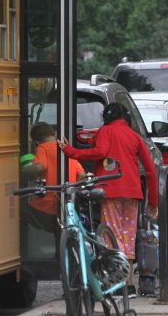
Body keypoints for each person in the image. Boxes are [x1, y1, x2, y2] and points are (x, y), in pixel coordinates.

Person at [58, 103, 159, 285]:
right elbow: (151, 170)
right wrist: (153, 203)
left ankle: (117, 282)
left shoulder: (106, 131)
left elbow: (101, 151)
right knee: (128, 236)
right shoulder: (134, 136)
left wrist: (70, 151)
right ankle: (128, 282)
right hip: (132, 192)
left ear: (106, 118)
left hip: (110, 189)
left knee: (112, 233)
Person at [26, 122, 84, 218]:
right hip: (69, 201)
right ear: (55, 134)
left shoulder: (42, 148)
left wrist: (21, 173)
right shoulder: (65, 148)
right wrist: (74, 193)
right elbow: (82, 174)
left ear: (36, 141)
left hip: (49, 202)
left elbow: (39, 167)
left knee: (24, 207)